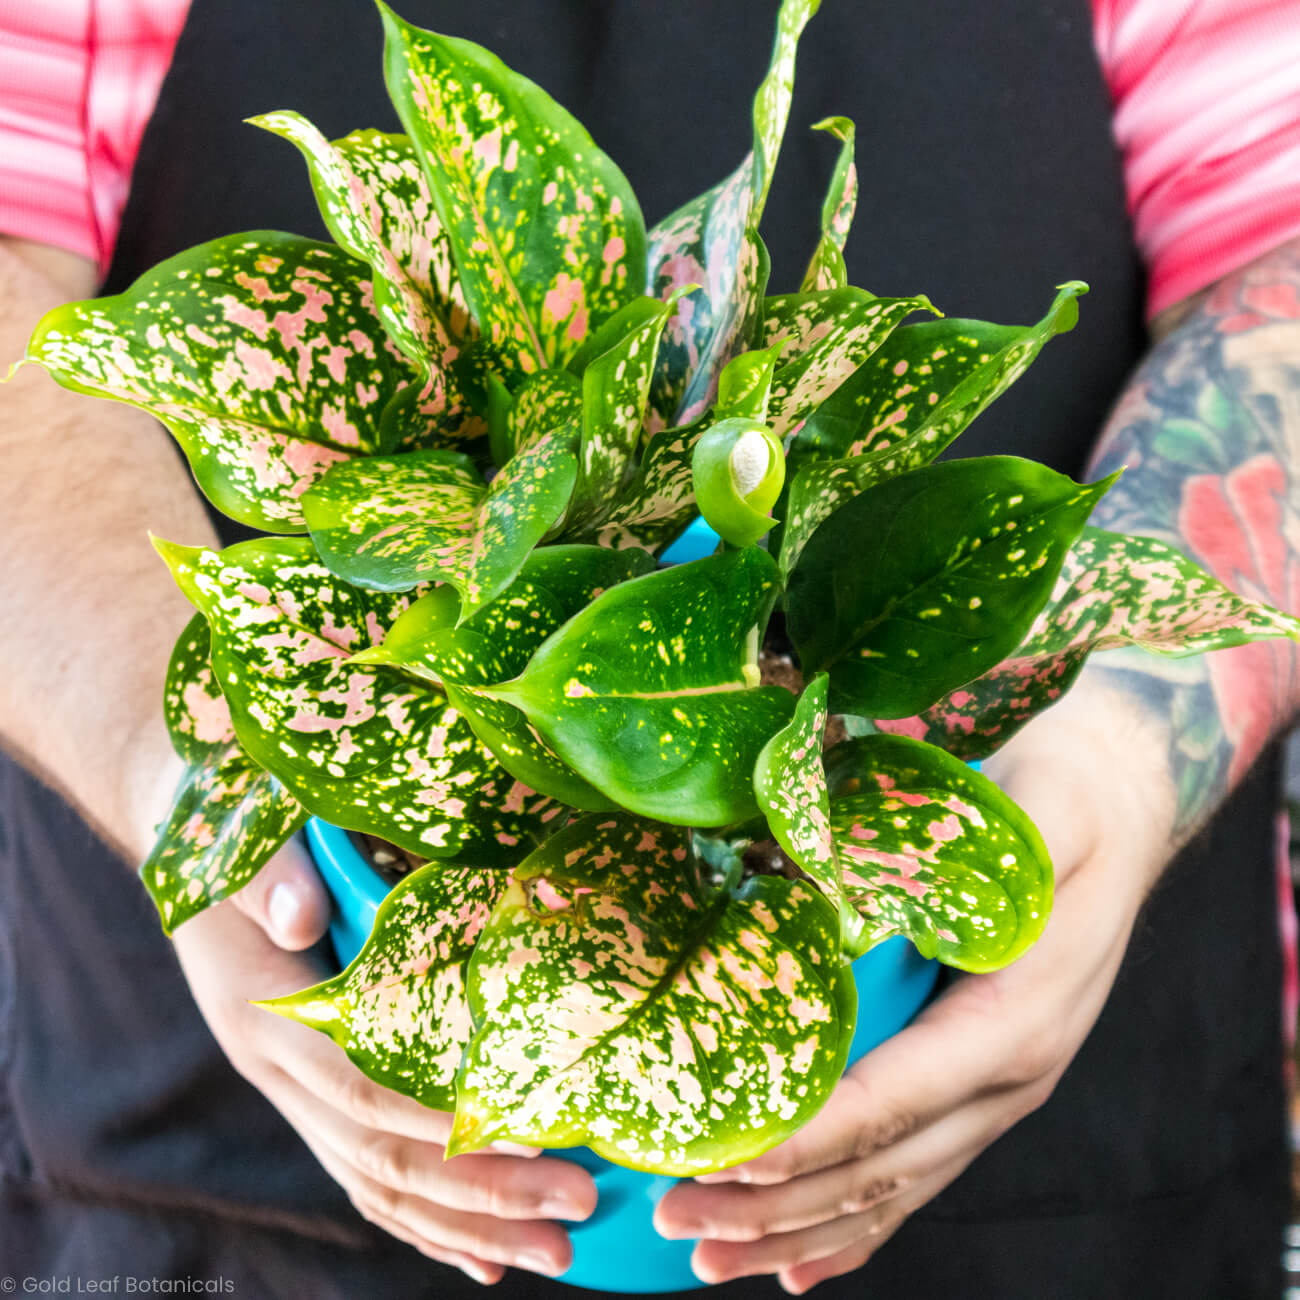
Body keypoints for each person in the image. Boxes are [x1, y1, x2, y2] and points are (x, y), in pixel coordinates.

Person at [2, 1, 1299, 1296]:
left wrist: (1124, 760)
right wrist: (196, 777)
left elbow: (1278, 270)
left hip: (1057, 1217)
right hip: (224, 1213)